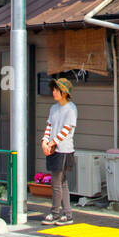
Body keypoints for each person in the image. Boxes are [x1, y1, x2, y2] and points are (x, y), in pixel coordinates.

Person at [41, 77, 78, 225]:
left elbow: (66, 130)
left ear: (64, 92)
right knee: (62, 182)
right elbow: (49, 126)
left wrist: (51, 143)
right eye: (54, 89)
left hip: (64, 150)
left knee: (56, 182)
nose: (54, 92)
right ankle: (67, 214)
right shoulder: (53, 108)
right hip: (53, 148)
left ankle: (55, 212)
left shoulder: (71, 108)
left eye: (57, 90)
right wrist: (44, 140)